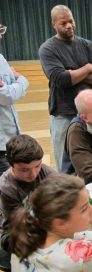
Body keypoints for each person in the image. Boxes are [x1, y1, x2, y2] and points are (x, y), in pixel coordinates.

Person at [39, 5, 92, 173]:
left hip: (89, 114)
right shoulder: (47, 49)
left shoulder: (87, 45)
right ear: (54, 24)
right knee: (65, 165)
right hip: (63, 113)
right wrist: (87, 67)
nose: (69, 25)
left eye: (71, 21)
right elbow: (61, 79)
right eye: (63, 23)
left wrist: (72, 72)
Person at [0, 134, 56, 270]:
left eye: (37, 166)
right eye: (24, 170)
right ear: (11, 165)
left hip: (40, 223)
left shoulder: (45, 171)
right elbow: (19, 225)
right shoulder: (7, 187)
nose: (33, 174)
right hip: (14, 230)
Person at [0, 24, 29, 175]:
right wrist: (22, 80)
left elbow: (16, 93)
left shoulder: (1, 58)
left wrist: (16, 86)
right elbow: (7, 96)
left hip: (10, 140)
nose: (1, 35)